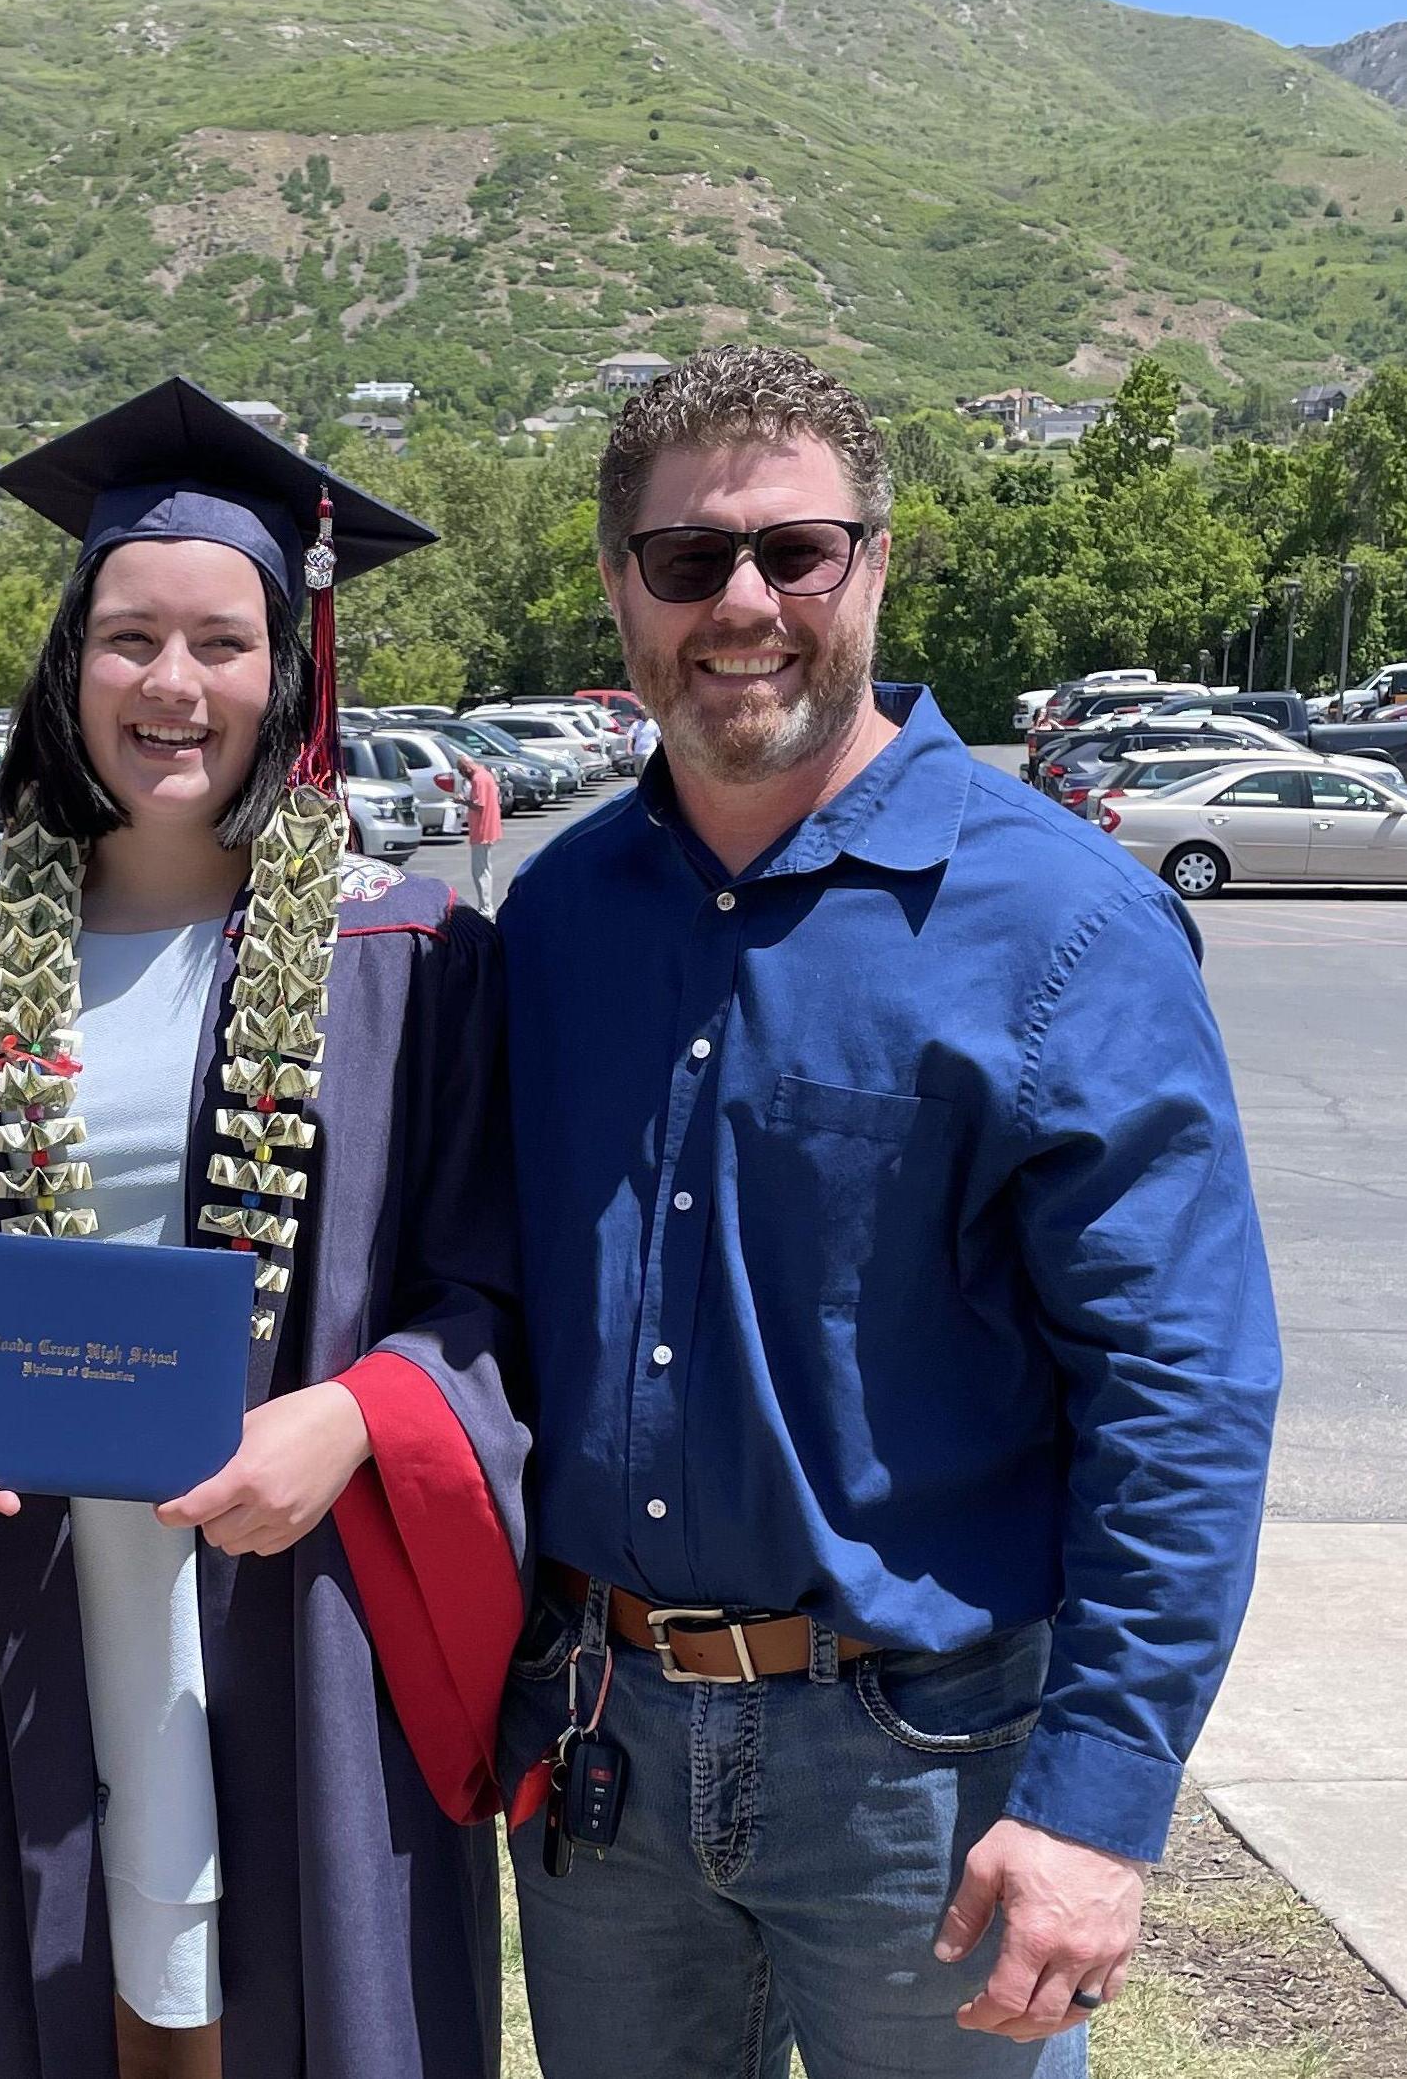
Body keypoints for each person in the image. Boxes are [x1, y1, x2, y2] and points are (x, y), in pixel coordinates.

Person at [496, 346, 1280, 2079]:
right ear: (623, 584)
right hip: (604, 1758)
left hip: (926, 1771)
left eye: (797, 551)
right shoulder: (550, 924)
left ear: (876, 562)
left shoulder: (1061, 926)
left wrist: (1099, 1807)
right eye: (689, 560)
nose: (744, 605)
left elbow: (1181, 1397)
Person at [0, 379, 529, 2079]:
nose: (173, 686)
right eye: (128, 637)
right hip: (21, 1613)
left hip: (302, 1609)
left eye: (221, 642)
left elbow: (491, 1295)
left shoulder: (408, 971)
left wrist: (355, 1415)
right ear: (69, 661)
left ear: (287, 670)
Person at [453, 751, 502, 917]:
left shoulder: (478, 779)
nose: (462, 774)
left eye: (461, 771)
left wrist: (462, 801)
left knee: (479, 871)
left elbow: (479, 805)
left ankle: (486, 908)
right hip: (488, 829)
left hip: (482, 830)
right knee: (484, 869)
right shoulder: (486, 774)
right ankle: (486, 906)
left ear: (466, 768)